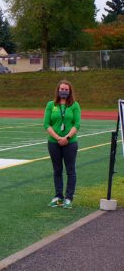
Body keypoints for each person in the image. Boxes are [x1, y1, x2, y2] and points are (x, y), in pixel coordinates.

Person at [44, 80, 81, 209]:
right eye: (61, 89)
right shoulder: (50, 105)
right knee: (57, 170)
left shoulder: (74, 105)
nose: (63, 91)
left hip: (70, 143)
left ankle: (69, 198)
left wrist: (67, 137)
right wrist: (58, 138)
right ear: (57, 90)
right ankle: (58, 197)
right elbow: (46, 124)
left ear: (69, 91)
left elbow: (77, 125)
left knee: (70, 170)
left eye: (66, 89)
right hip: (54, 143)